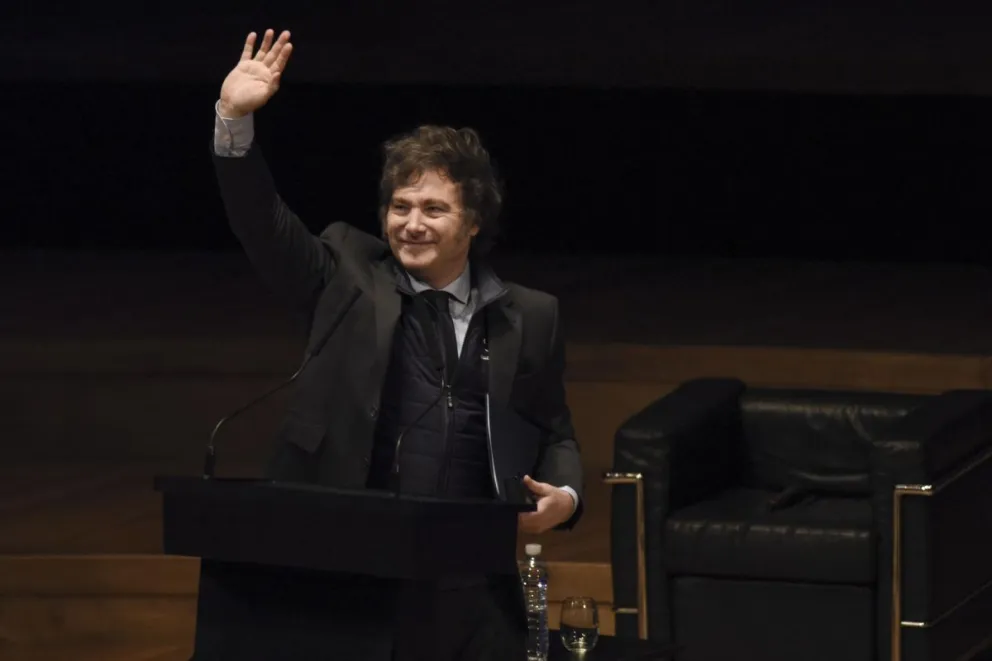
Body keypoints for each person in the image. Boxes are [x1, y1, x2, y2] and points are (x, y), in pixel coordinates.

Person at [211, 28, 584, 661]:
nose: (411, 224)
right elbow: (262, 225)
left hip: (473, 580)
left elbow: (556, 431)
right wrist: (233, 122)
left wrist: (564, 498)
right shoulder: (346, 275)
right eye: (400, 206)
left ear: (472, 222)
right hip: (353, 570)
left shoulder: (530, 316)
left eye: (434, 209)